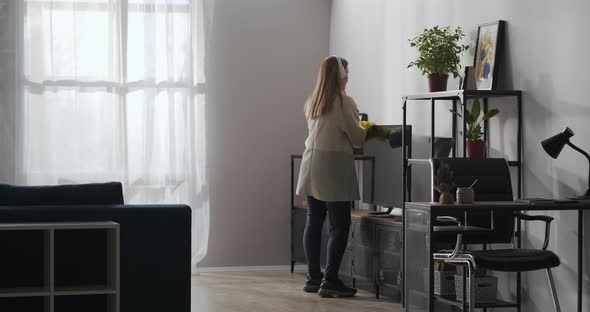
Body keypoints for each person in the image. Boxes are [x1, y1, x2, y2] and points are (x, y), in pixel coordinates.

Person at [295, 55, 365, 298]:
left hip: (311, 162)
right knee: (340, 224)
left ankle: (313, 277)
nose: (348, 77)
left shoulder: (313, 101)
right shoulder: (344, 102)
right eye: (347, 72)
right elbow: (357, 137)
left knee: (314, 221)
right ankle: (331, 280)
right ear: (340, 75)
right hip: (333, 165)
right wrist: (372, 129)